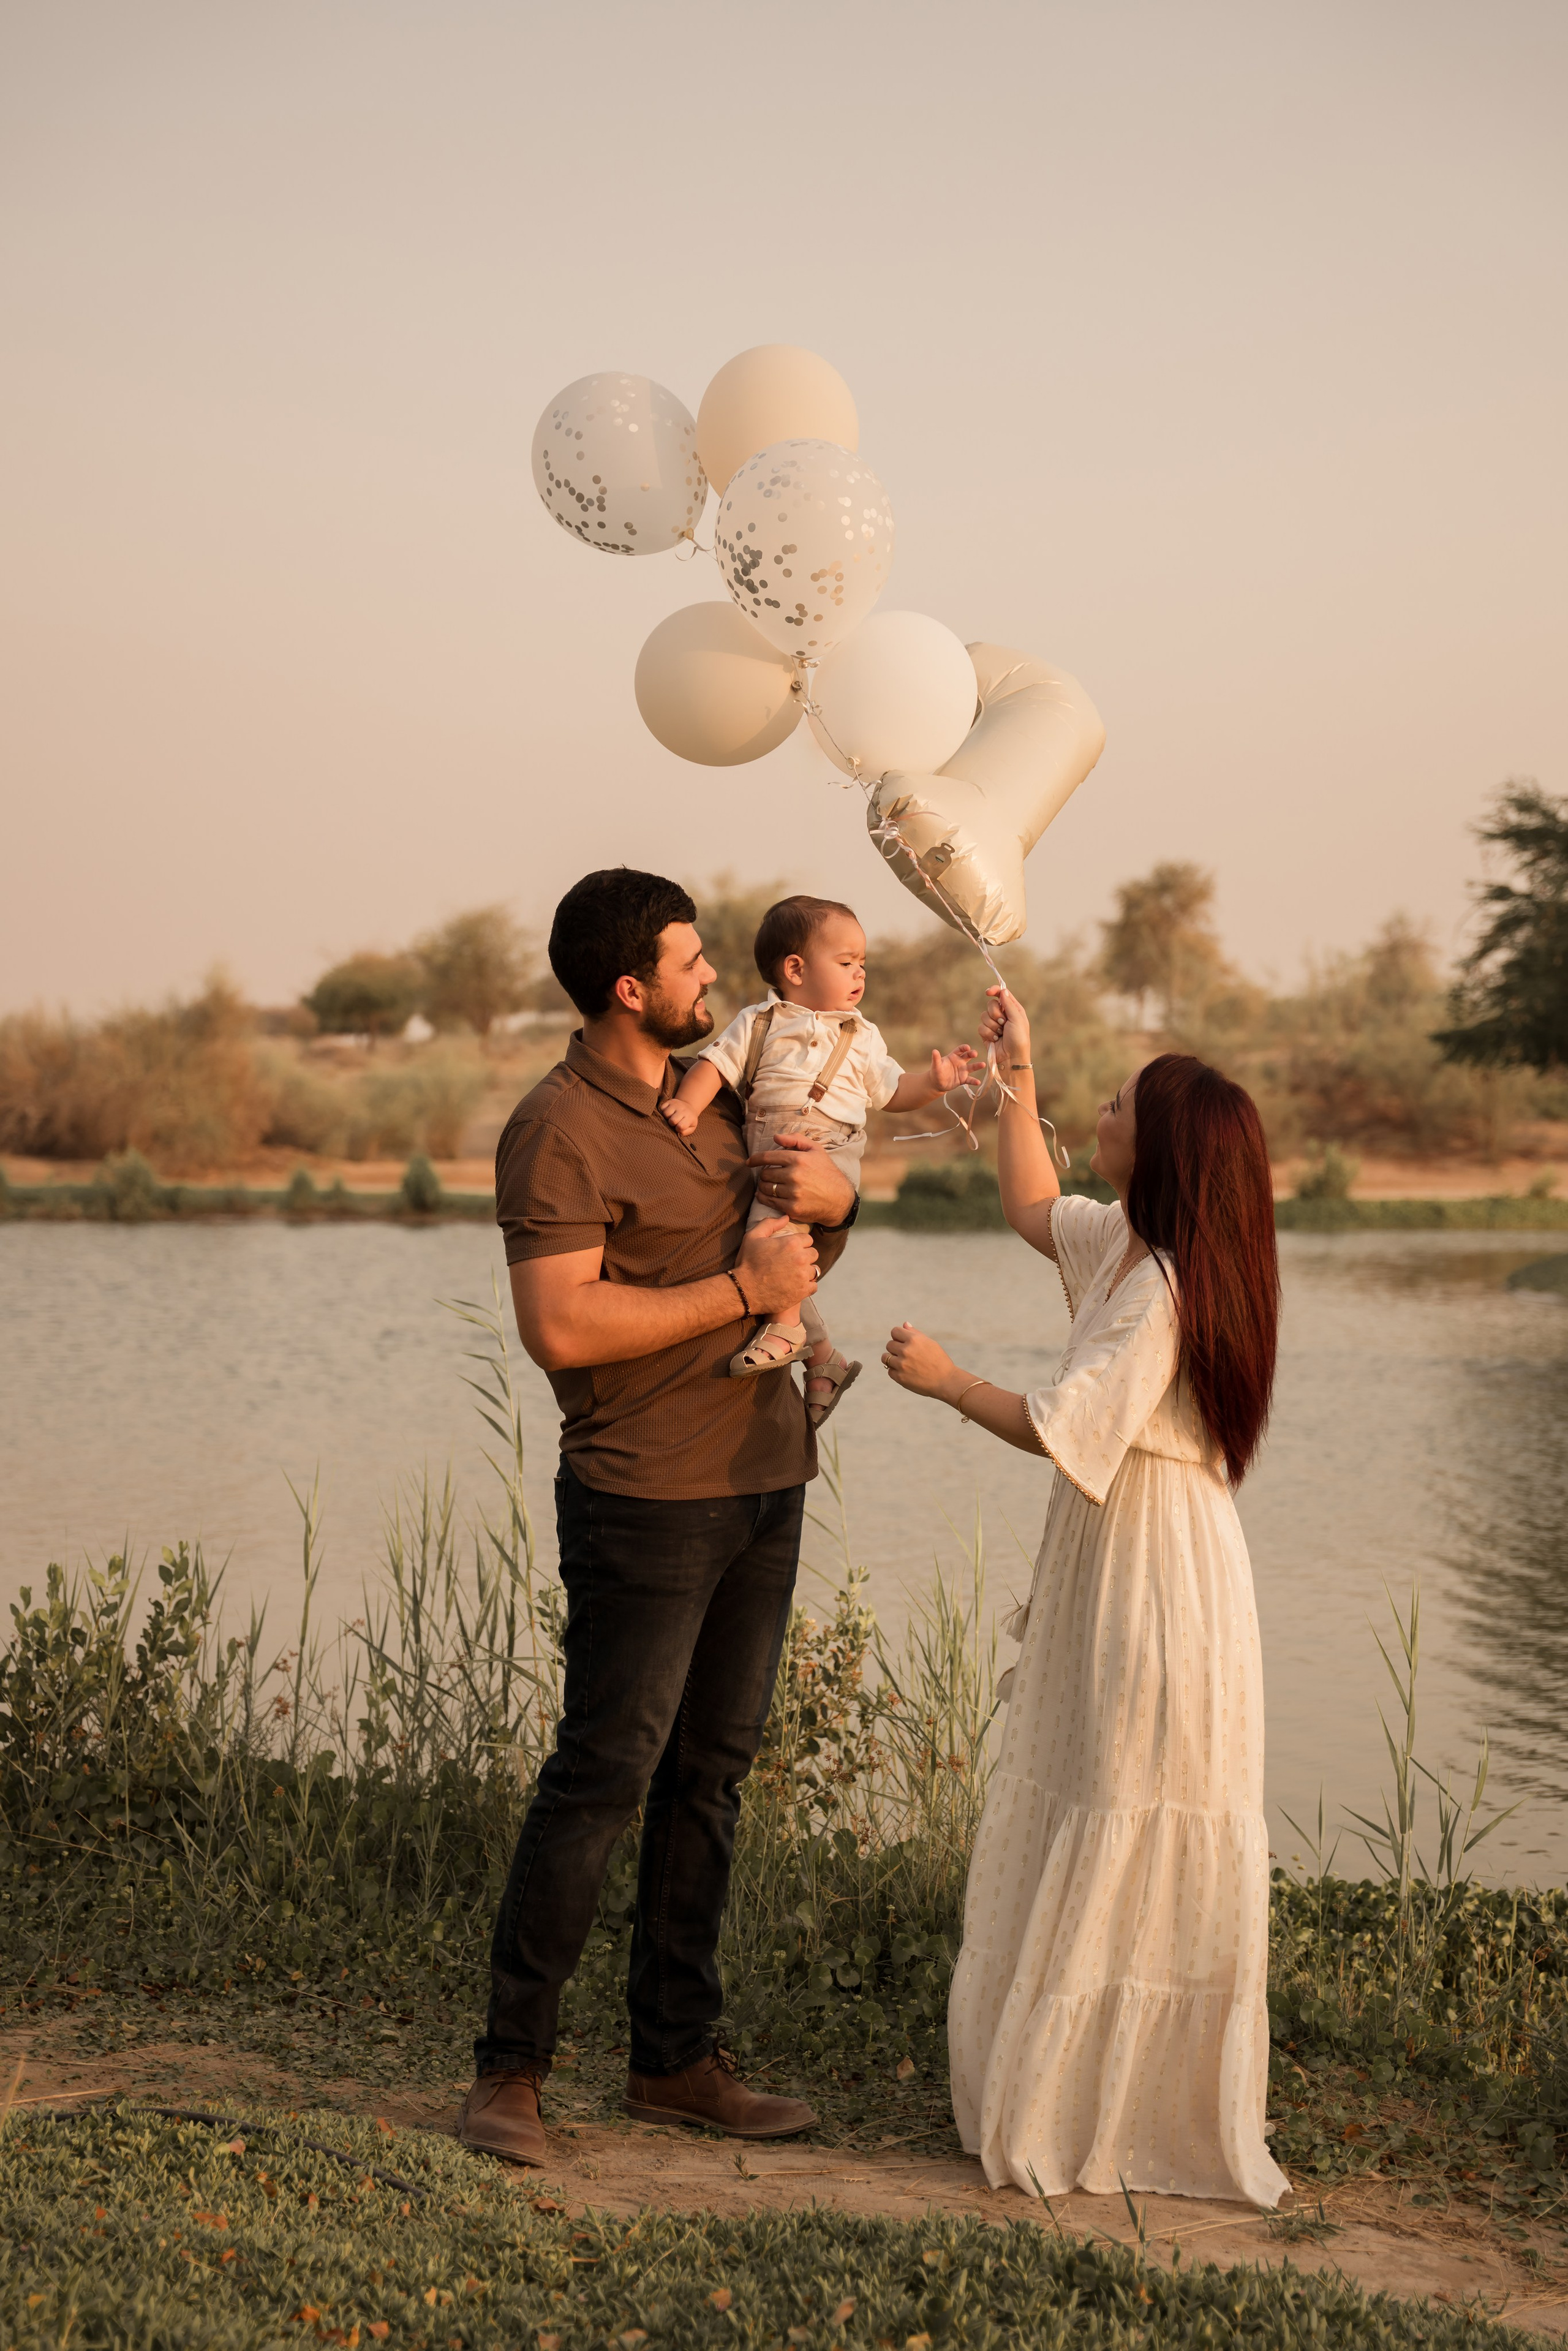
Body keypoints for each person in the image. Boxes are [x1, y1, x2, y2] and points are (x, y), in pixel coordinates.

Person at [457, 869, 860, 2168]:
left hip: (763, 1475)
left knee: (710, 1778)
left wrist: (829, 1210)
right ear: (629, 988)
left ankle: (673, 2058)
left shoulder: (728, 1091)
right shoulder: (557, 1126)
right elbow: (560, 1324)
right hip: (644, 1493)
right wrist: (739, 1291)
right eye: (689, 961)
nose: (711, 978)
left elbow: (807, 1215)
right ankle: (508, 2069)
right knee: (604, 1772)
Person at [882, 986, 1290, 2208]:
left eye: (1114, 1101)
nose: (1097, 1109)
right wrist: (1021, 1070)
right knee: (1094, 1791)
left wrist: (950, 1382)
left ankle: (1115, 2114)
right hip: (1116, 1553)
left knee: (1130, 1797)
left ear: (1154, 1144)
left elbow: (1066, 1427)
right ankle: (1069, 2089)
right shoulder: (1127, 1244)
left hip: (1157, 1573)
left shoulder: (1166, 1288)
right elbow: (1020, 1200)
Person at [662, 894, 977, 1424]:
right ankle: (826, 1360)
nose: (860, 976)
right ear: (795, 969)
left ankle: (787, 1331)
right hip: (769, 1144)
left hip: (826, 1148)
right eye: (847, 962)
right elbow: (713, 1068)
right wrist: (687, 1106)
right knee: (763, 1246)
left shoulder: (861, 1035)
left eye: (863, 965)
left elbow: (893, 1090)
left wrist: (935, 1085)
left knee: (769, 1243)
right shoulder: (760, 1022)